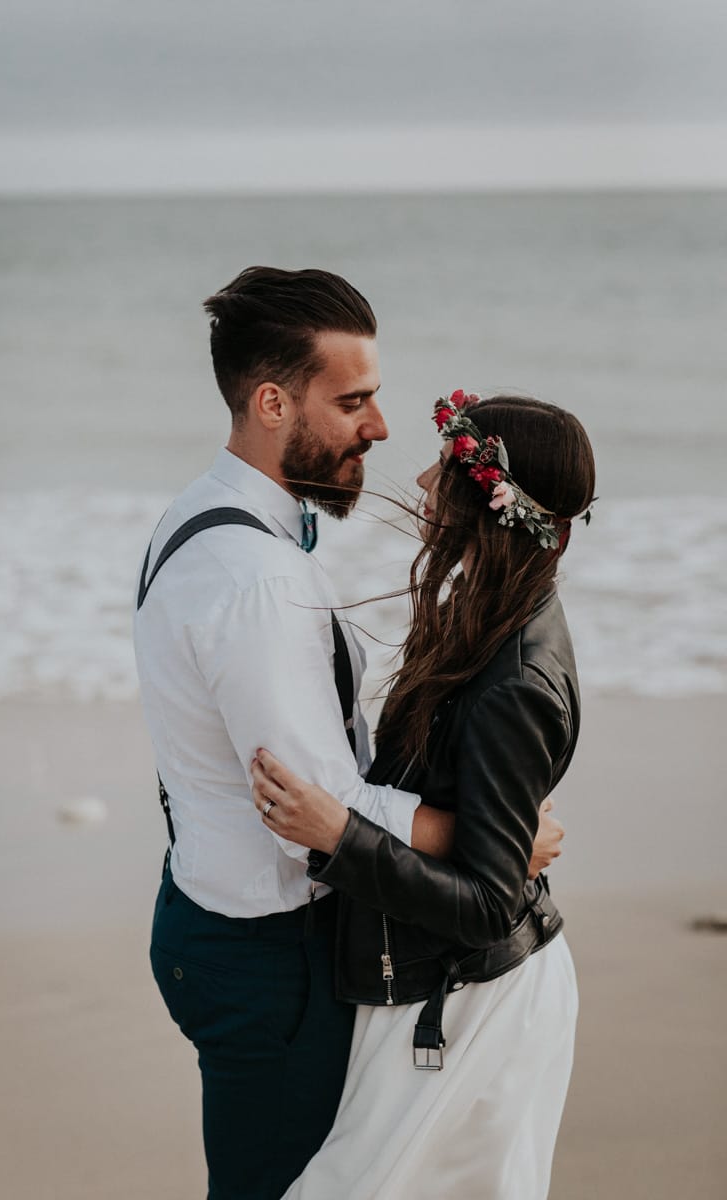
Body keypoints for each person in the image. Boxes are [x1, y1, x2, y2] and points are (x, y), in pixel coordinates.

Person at [133, 270, 563, 1200]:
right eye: (355, 400)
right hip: (269, 954)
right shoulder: (259, 581)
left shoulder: (195, 516)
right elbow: (324, 806)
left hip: (210, 909)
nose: (379, 426)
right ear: (273, 401)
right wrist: (492, 842)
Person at [250, 389, 596, 1199]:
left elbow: (486, 902)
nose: (417, 481)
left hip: (473, 1007)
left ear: (491, 504)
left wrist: (341, 836)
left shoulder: (516, 680)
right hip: (436, 987)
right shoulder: (490, 612)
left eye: (443, 470)